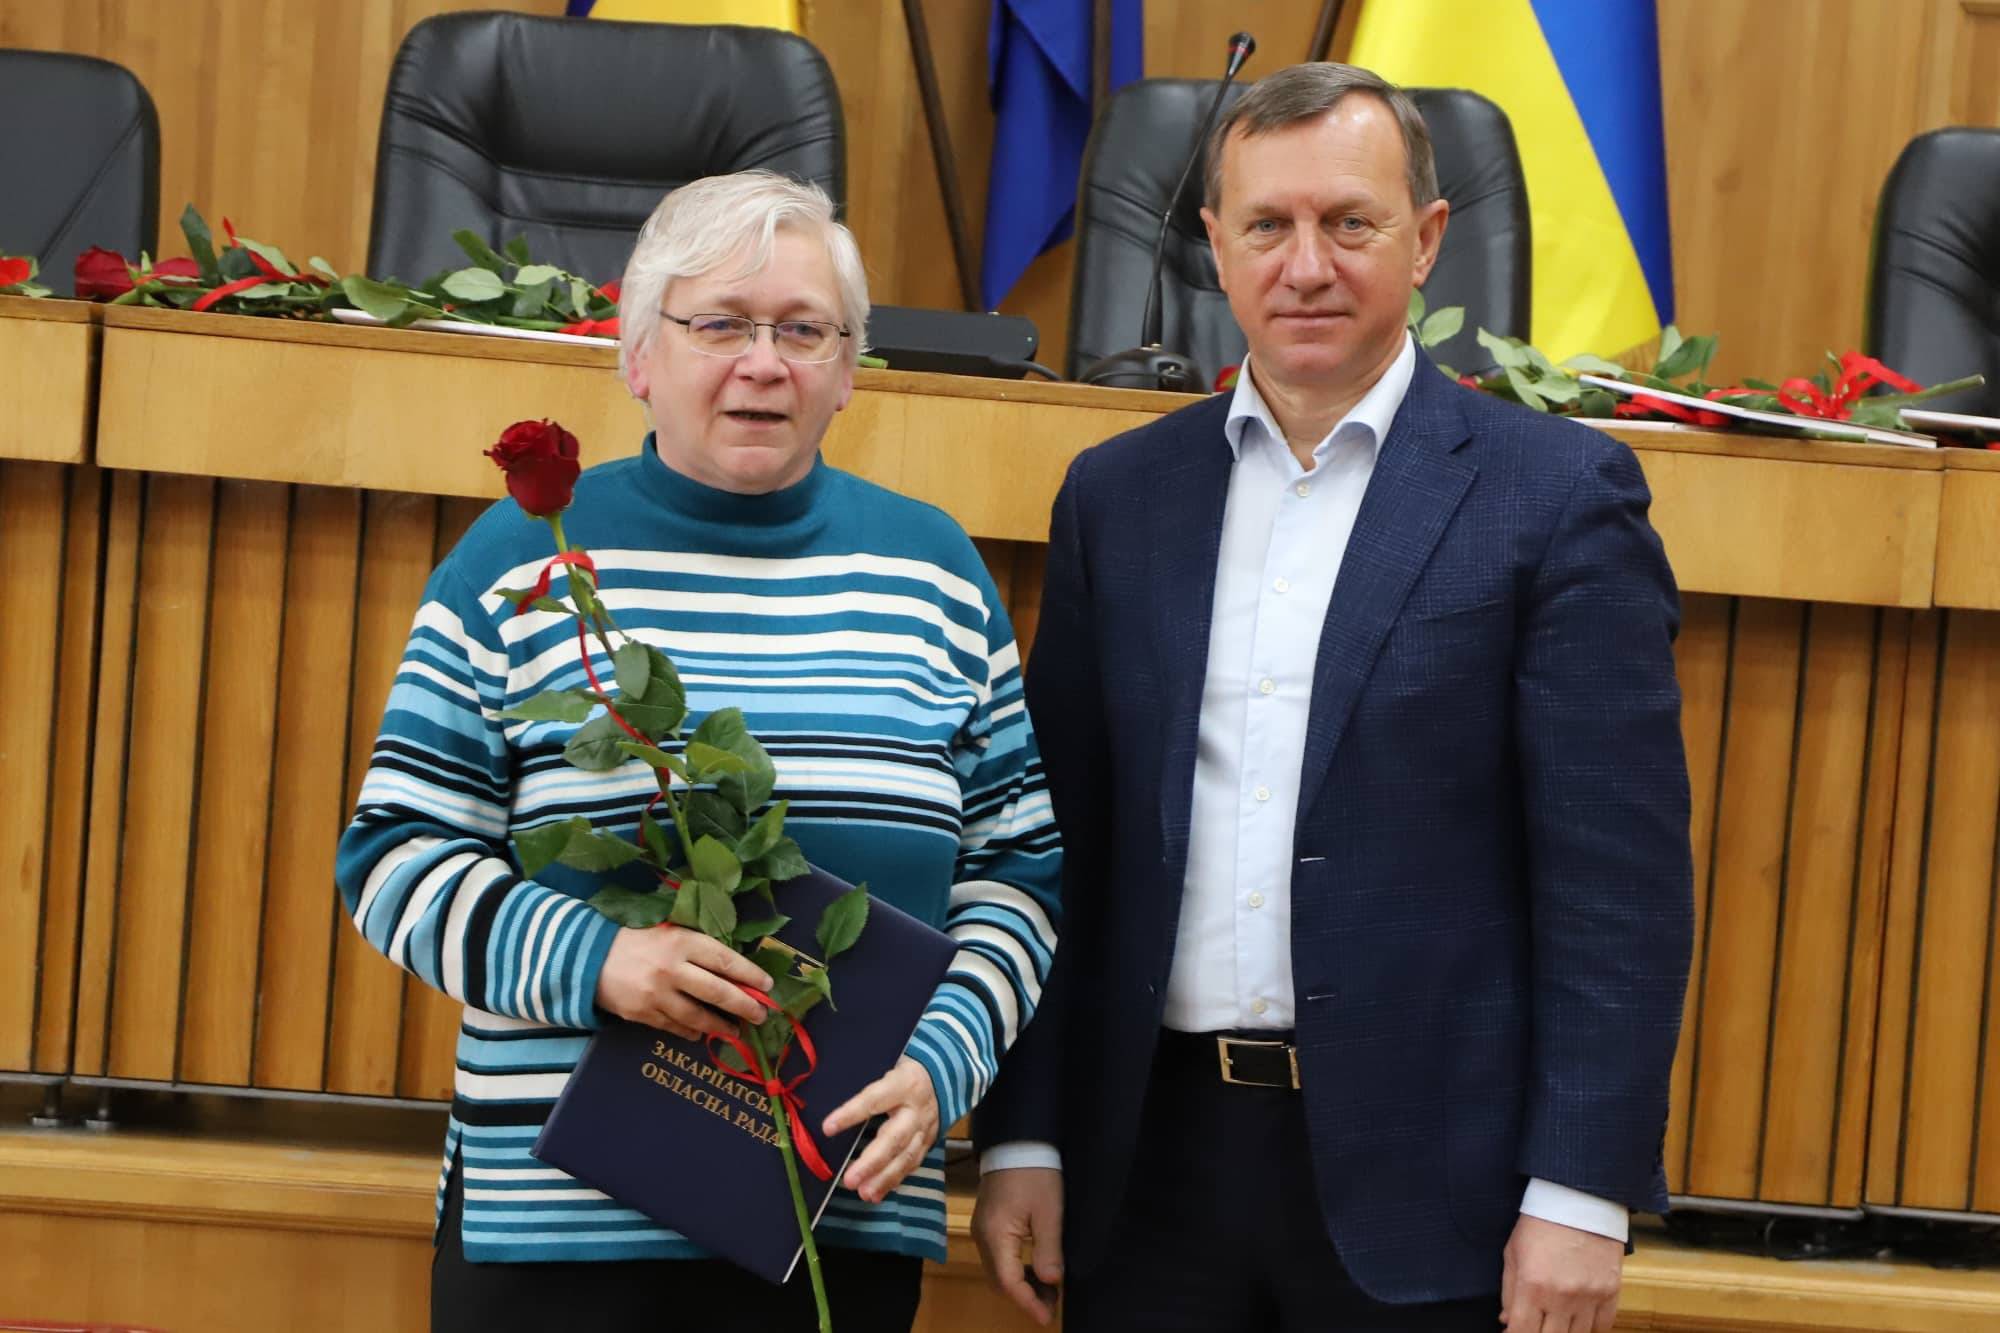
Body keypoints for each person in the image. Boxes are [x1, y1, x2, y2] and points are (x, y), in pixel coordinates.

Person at [971, 62, 1693, 1332]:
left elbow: (1614, 887)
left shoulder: (1555, 497)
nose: (1304, 264)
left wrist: (1580, 1187)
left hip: (1433, 1191)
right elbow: (1056, 850)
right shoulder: (1116, 499)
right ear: (1213, 244)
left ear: (1423, 242)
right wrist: (1021, 1136)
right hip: (1146, 1175)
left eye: (1347, 223)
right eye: (1266, 225)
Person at [335, 169, 1060, 1332]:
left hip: (839, 1212)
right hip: (559, 1229)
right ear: (637, 358)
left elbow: (1015, 879)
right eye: (718, 323)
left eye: (801, 329)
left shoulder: (935, 575)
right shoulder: (518, 561)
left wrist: (944, 1061)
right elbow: (392, 858)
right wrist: (597, 962)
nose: (761, 362)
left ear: (847, 369)